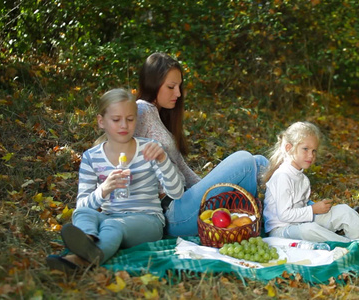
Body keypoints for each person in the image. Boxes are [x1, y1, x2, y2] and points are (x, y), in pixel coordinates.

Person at [46, 88, 184, 273]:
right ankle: (87, 242)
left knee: (112, 225)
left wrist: (163, 160)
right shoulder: (91, 157)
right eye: (116, 120)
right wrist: (103, 190)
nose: (124, 126)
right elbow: (82, 205)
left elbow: (177, 193)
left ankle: (83, 260)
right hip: (109, 217)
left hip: (148, 221)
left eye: (130, 119)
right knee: (82, 215)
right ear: (101, 121)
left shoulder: (150, 149)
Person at [135, 52, 268, 236]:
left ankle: (287, 214)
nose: (178, 93)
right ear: (152, 84)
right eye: (171, 87)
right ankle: (293, 215)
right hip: (171, 213)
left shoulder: (160, 115)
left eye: (179, 86)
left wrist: (207, 190)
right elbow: (121, 154)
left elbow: (182, 168)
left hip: (185, 202)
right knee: (245, 161)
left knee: (259, 161)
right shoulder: (141, 110)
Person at [262, 121, 359, 246]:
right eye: (305, 149)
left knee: (343, 210)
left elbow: (302, 209)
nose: (311, 155)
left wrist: (317, 210)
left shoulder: (303, 179)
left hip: (301, 223)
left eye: (314, 151)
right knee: (309, 229)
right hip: (281, 231)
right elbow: (284, 215)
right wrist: (313, 210)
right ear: (288, 148)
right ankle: (352, 244)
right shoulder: (282, 176)